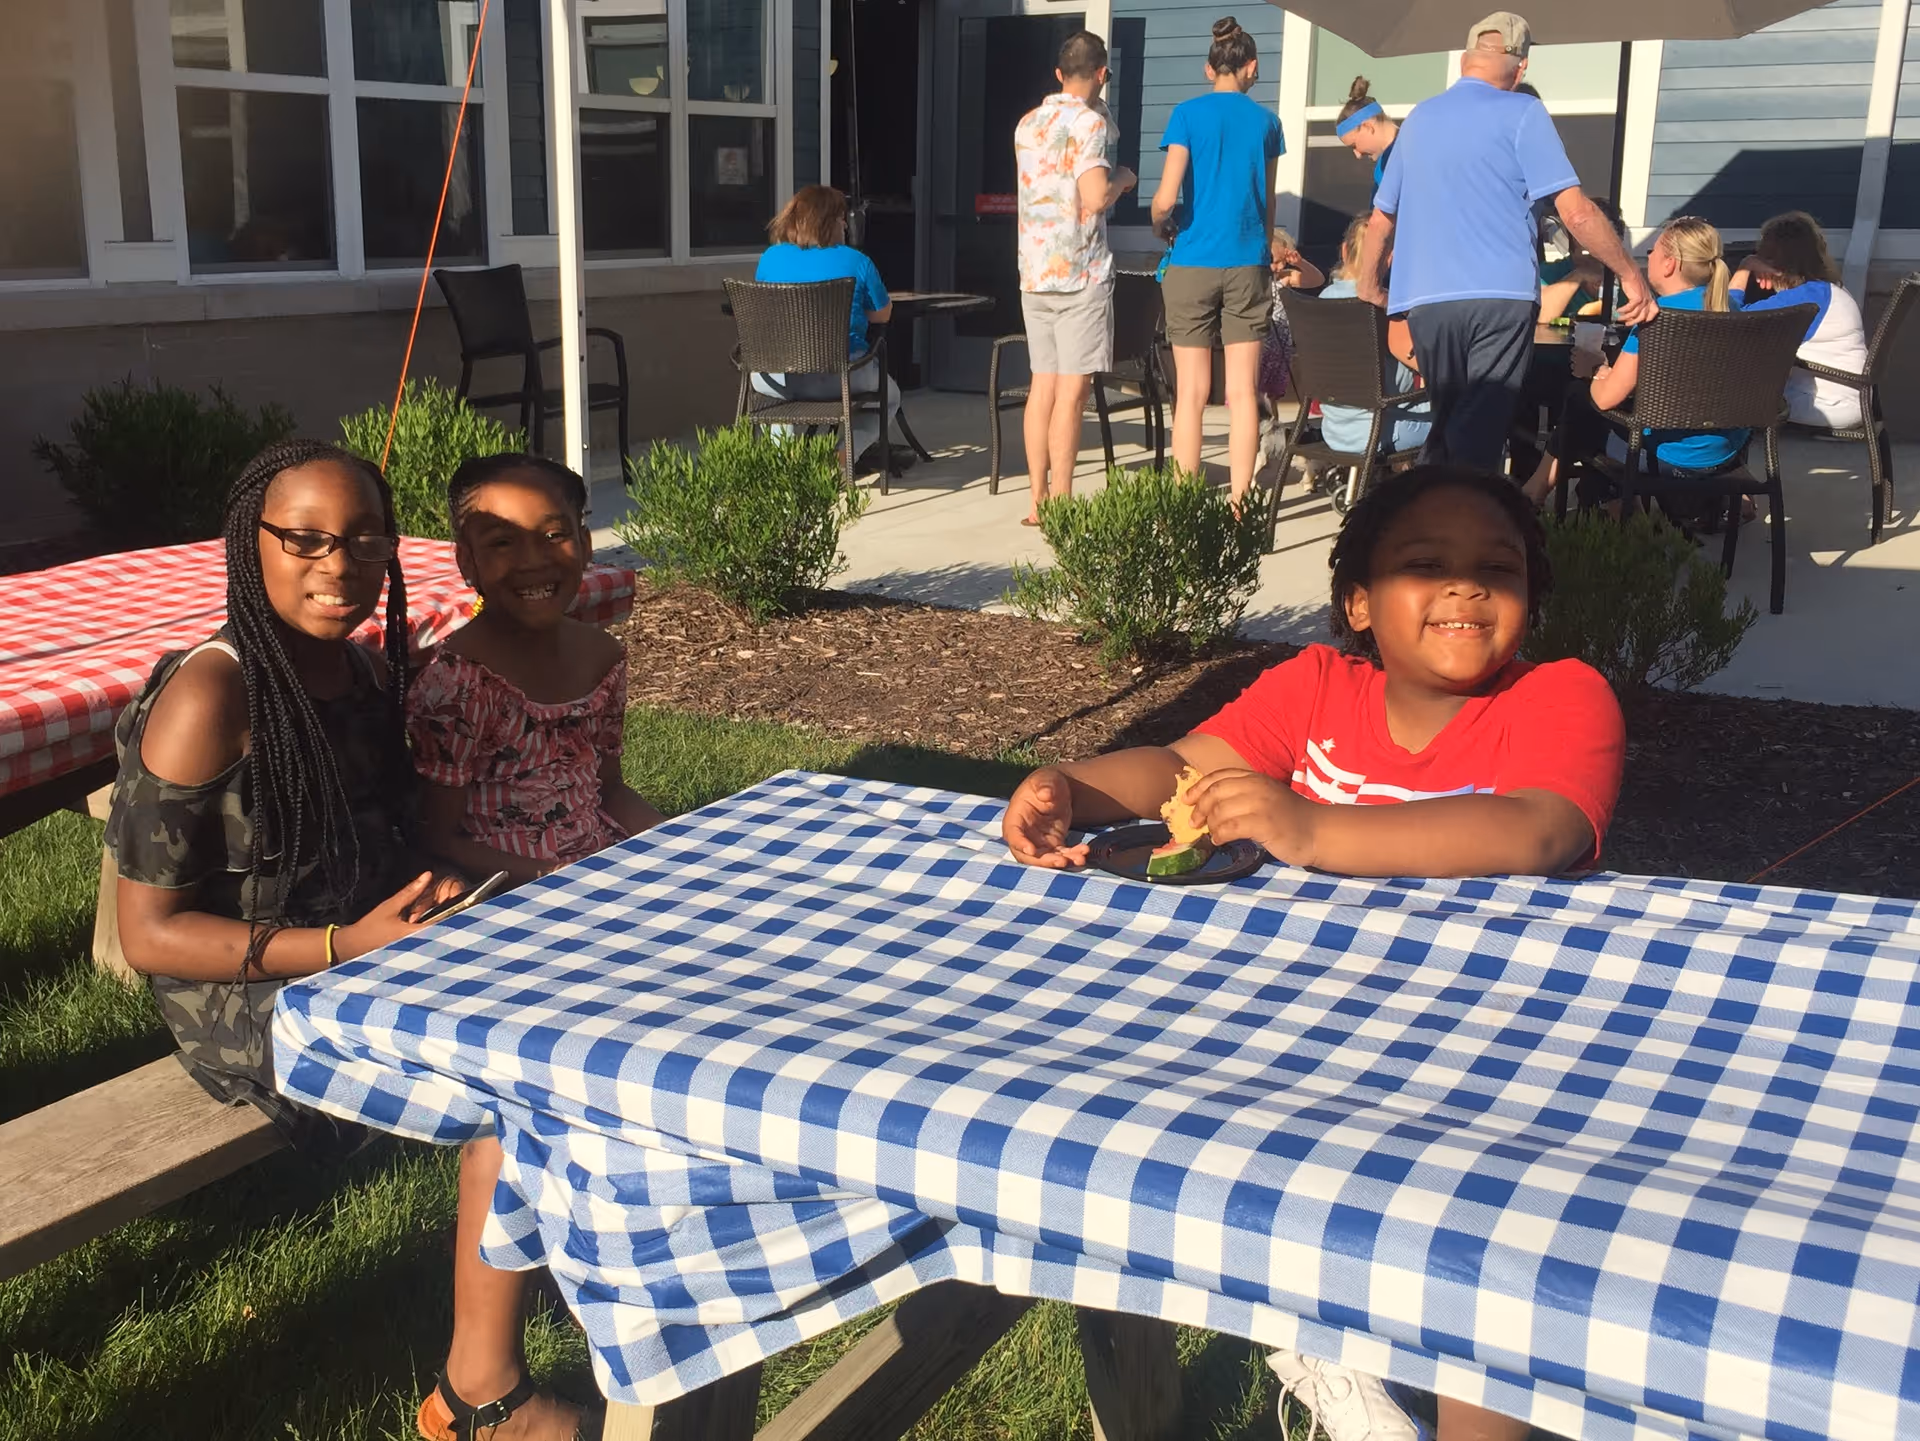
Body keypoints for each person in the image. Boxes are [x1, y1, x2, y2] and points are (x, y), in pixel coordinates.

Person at [1002, 462, 1624, 1441]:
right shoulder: (1315, 689)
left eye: (1496, 570)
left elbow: (1542, 827)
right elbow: (1182, 765)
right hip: (1314, 1042)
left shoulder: (1561, 696)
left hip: (1490, 1055)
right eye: (1426, 564)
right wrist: (1073, 786)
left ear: (1530, 602)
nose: (1466, 587)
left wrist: (1312, 829)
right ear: (1359, 603)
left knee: (1489, 1275)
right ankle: (1332, 1332)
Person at [101, 442, 586, 1441]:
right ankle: (479, 1393)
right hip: (253, 995)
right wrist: (343, 944)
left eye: (365, 538)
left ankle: (577, 1265)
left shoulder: (361, 670)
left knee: (576, 984)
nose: (341, 563)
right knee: (516, 1074)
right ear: (252, 543)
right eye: (307, 539)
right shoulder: (212, 697)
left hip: (368, 938)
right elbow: (149, 933)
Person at [1357, 11, 1653, 472]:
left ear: (1465, 61)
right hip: (1500, 298)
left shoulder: (1418, 119)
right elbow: (1574, 210)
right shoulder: (1523, 111)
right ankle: (1466, 533)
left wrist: (1371, 287)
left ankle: (1428, 525)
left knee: (1452, 425)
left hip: (1428, 302)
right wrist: (1632, 275)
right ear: (1521, 68)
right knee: (1477, 437)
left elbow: (1379, 222)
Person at [407, 452, 664, 887]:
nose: (533, 560)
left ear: (584, 545)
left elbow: (610, 788)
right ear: (467, 561)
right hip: (508, 887)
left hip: (600, 861)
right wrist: (560, 878)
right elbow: (437, 837)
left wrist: (677, 845)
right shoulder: (459, 684)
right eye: (503, 542)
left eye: (553, 534)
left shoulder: (604, 656)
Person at [1149, 16, 1287, 506]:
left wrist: (1158, 220)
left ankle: (1186, 504)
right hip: (1247, 262)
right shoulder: (1268, 123)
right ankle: (1240, 503)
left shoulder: (1186, 114)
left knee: (1191, 393)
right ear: (1251, 67)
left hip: (1192, 262)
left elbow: (1166, 197)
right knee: (1243, 393)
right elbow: (1268, 205)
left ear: (1210, 69)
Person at [1525, 217, 1747, 508]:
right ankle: (1600, 501)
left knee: (1580, 400)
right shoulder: (1732, 307)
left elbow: (1605, 400)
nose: (1648, 257)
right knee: (1597, 410)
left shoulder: (1658, 317)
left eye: (1653, 251)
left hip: (1667, 456)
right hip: (1723, 453)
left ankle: (1538, 493)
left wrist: (1594, 369)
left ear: (1669, 264)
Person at [1013, 30, 1138, 526]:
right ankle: (1062, 505)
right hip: (1080, 274)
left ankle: (1037, 500)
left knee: (1040, 385)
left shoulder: (1027, 124)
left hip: (1034, 270)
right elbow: (1094, 196)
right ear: (1103, 74)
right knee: (1072, 391)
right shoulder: (1090, 125)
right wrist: (1124, 178)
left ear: (1060, 74)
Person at [751, 185, 909, 479]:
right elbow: (882, 314)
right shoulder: (856, 260)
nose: (845, 224)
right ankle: (840, 457)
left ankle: (781, 467)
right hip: (841, 377)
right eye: (840, 218)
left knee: (778, 404)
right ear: (825, 222)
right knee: (890, 397)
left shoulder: (770, 258)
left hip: (775, 377)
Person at [1731, 210, 1869, 429]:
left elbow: (1730, 321)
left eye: (1762, 254)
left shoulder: (1809, 297)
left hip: (1830, 404)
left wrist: (1744, 268)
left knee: (1723, 394)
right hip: (1847, 397)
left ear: (1775, 260)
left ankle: (1709, 460)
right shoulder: (1827, 290)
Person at [1316, 215, 1430, 458]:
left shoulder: (1322, 301)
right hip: (1382, 430)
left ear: (1344, 250)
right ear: (1389, 258)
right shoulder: (1385, 306)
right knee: (1466, 420)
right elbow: (1430, 365)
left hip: (1335, 431)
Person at [1257, 227, 1326, 407]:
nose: (1278, 267)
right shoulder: (1252, 277)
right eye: (1274, 261)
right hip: (1259, 341)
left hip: (1278, 344)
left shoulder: (1283, 278)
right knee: (1253, 390)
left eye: (1283, 262)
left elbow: (1317, 280)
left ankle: (1272, 426)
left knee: (1270, 395)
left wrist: (1300, 263)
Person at [1538, 196, 1627, 322]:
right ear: (1571, 237)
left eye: (1603, 235)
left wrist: (1606, 310)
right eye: (1586, 234)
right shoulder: (1548, 273)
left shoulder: (1625, 279)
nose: (1593, 244)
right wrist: (1578, 276)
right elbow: (1540, 315)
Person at [1335, 77, 1398, 194]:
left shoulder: (1410, 152)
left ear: (1367, 127)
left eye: (1354, 145)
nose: (1358, 155)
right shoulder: (1382, 167)